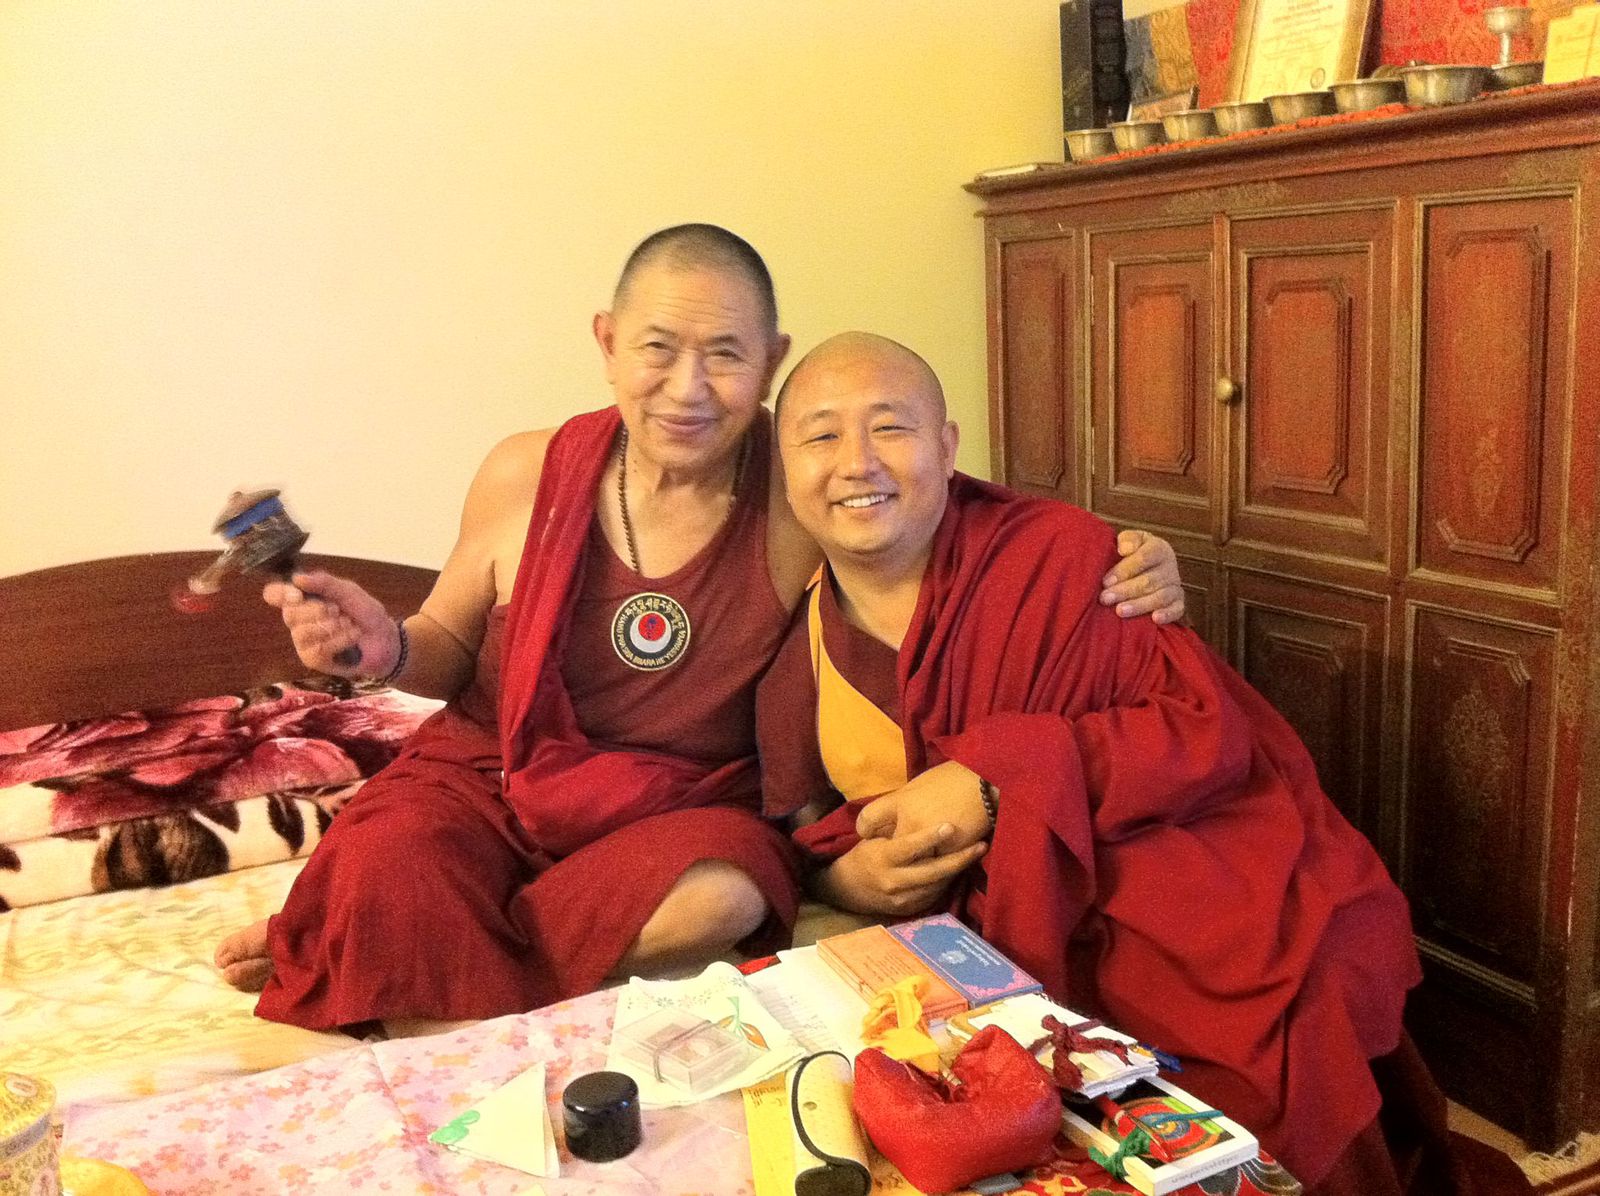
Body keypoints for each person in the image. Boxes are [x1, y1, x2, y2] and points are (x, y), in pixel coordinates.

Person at [213, 226, 1186, 1030]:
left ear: (768, 360)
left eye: (724, 355)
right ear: (605, 341)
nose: (687, 387)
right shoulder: (525, 471)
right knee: (391, 858)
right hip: (493, 775)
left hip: (677, 802)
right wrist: (378, 647)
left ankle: (409, 945)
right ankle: (406, 923)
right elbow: (447, 647)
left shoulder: (798, 493)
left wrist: (1126, 551)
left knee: (720, 898)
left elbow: (955, 516)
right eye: (657, 348)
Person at [755, 332, 1534, 1196]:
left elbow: (1201, 732)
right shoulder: (795, 648)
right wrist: (850, 882)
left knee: (1286, 997)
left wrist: (996, 781)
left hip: (1147, 860)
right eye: (821, 435)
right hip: (975, 914)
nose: (856, 462)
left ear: (947, 446)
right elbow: (799, 831)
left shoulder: (1070, 559)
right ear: (785, 467)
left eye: (890, 428)